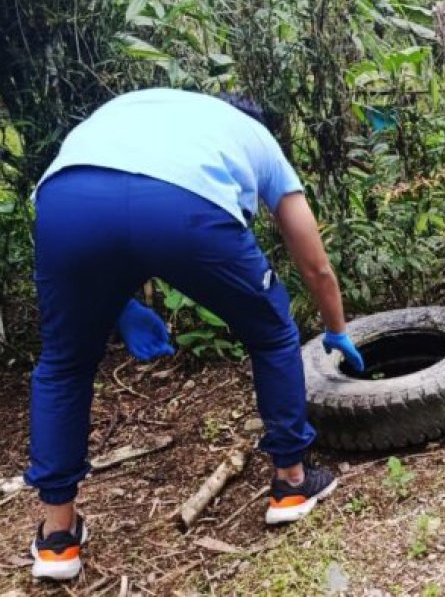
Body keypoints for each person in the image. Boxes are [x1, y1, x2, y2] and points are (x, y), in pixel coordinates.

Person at [25, 88, 366, 581]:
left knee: (63, 363)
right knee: (272, 332)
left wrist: (119, 305)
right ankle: (291, 481)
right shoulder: (258, 138)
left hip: (67, 199)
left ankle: (58, 537)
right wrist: (336, 329)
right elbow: (314, 264)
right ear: (255, 119)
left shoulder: (143, 105)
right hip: (183, 206)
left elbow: (114, 204)